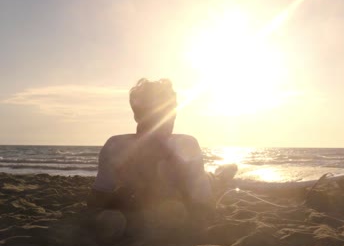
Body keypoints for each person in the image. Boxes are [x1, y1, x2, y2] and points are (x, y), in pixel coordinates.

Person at [88, 78, 236, 227]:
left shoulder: (186, 144)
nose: (167, 119)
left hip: (205, 183)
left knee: (217, 180)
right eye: (156, 113)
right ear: (137, 116)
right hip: (189, 190)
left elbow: (203, 202)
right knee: (213, 179)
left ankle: (224, 173)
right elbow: (98, 197)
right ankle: (223, 173)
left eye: (170, 113)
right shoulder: (116, 146)